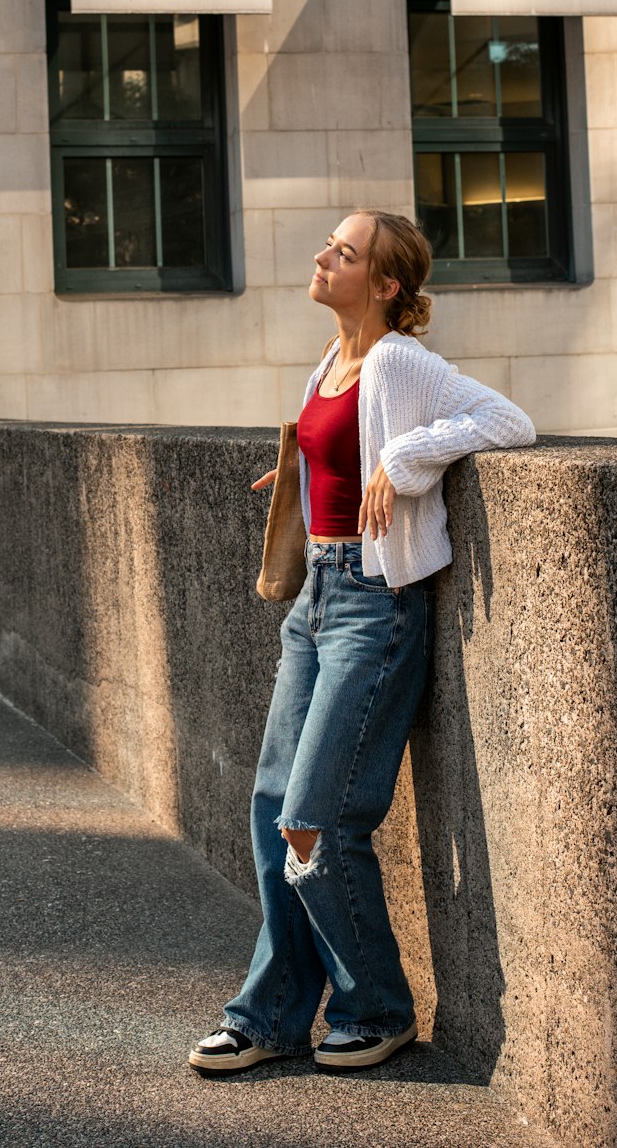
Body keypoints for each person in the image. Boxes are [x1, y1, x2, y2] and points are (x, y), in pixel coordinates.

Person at [188, 209, 535, 1078]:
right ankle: (268, 1017)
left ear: (385, 285)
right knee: (273, 813)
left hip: (375, 608)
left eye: (342, 253)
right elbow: (337, 446)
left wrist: (407, 456)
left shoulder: (397, 359)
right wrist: (311, 466)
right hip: (314, 602)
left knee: (316, 821)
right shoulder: (331, 363)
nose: (322, 257)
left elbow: (508, 421)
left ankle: (377, 1008)